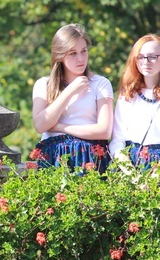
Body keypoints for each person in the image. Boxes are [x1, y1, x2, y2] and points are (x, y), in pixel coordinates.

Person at [32, 24, 113, 172]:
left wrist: (61, 127)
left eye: (83, 51)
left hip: (90, 156)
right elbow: (40, 125)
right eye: (72, 53)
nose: (80, 58)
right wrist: (70, 91)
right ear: (60, 55)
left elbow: (104, 130)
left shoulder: (100, 83)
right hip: (54, 156)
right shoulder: (43, 84)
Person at [109, 34, 160, 170]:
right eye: (141, 56)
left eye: (153, 57)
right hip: (130, 166)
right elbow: (117, 141)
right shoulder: (127, 94)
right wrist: (132, 176)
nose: (146, 61)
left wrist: (155, 174)